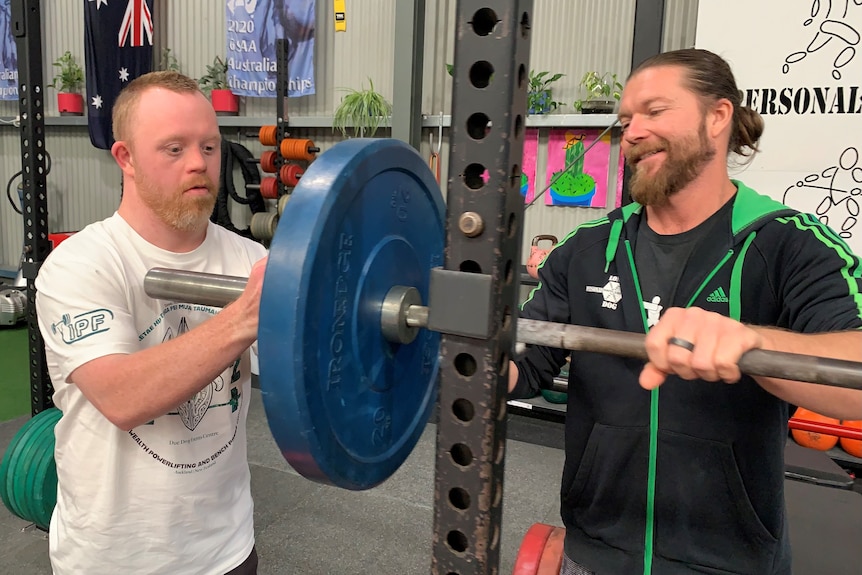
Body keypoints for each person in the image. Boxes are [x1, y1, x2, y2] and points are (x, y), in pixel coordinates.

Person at [509, 48, 862, 575]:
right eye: (626, 120)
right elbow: (525, 365)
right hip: (593, 552)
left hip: (730, 562)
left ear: (717, 117)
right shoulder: (587, 250)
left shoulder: (789, 244)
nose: (631, 132)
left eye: (654, 111)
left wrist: (753, 343)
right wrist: (460, 361)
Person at [35, 71, 268, 575]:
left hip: (227, 549)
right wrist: (243, 318)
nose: (198, 164)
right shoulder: (82, 263)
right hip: (115, 559)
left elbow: (312, 379)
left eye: (209, 146)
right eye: (173, 148)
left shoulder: (252, 260)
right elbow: (124, 397)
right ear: (126, 159)